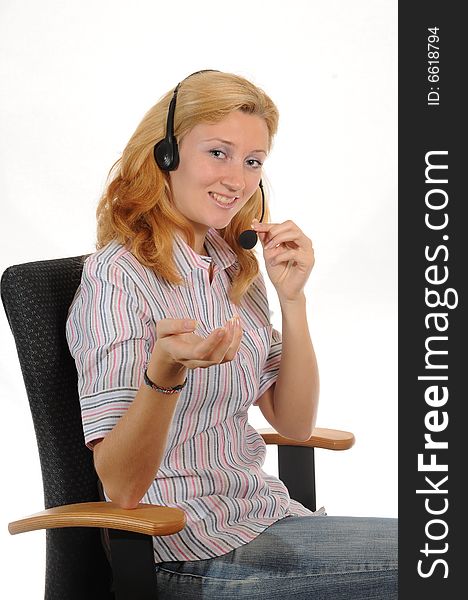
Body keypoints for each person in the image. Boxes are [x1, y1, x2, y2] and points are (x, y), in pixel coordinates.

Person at [66, 69, 397, 599]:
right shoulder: (119, 277)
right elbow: (122, 486)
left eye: (252, 161)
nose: (237, 180)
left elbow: (293, 422)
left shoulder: (232, 267)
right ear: (166, 155)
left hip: (265, 517)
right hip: (186, 550)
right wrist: (163, 373)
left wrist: (292, 299)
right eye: (217, 153)